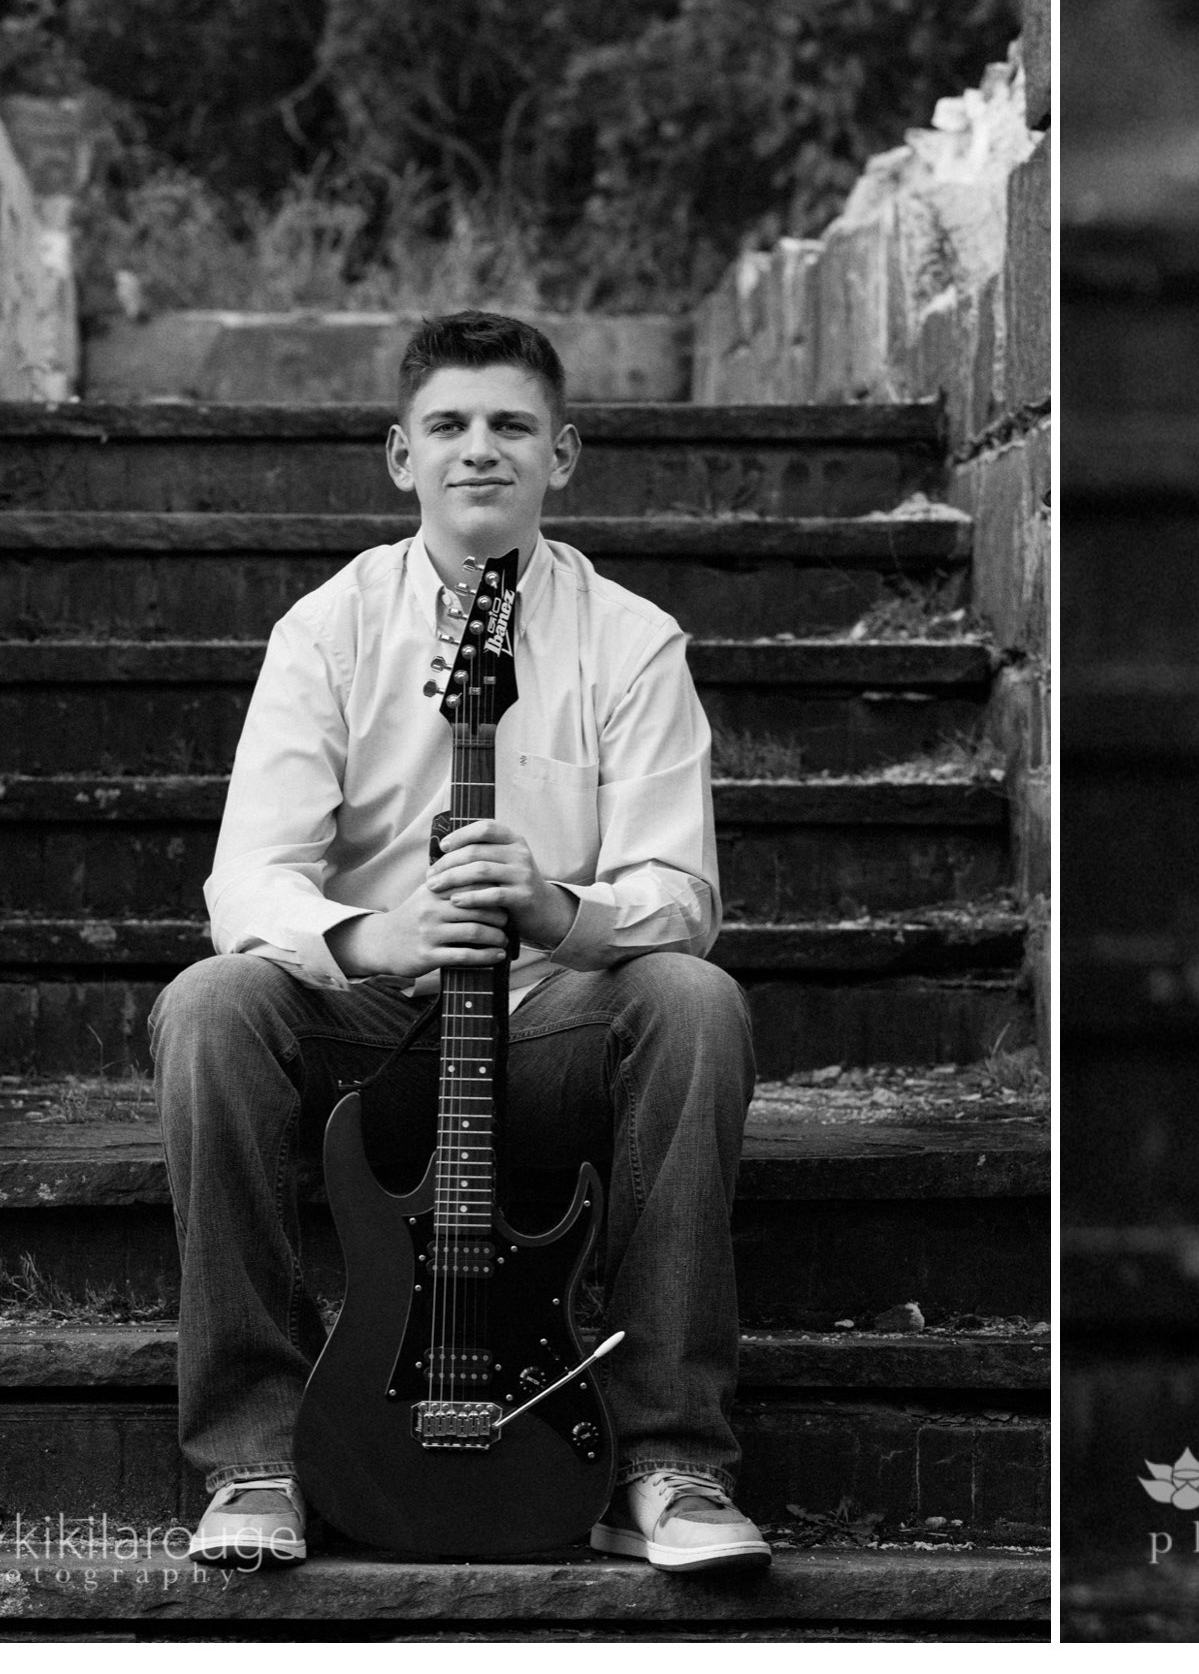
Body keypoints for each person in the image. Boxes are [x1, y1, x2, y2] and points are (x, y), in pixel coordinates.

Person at [159, 310, 767, 1574]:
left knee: (694, 997)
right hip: (371, 1038)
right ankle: (256, 1456)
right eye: (448, 424)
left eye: (510, 425)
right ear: (399, 455)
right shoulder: (328, 630)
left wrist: (560, 909)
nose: (478, 449)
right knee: (212, 1001)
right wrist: (375, 934)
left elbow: (680, 889)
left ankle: (667, 1458)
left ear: (566, 453)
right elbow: (247, 880)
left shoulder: (630, 638)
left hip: (548, 1027)